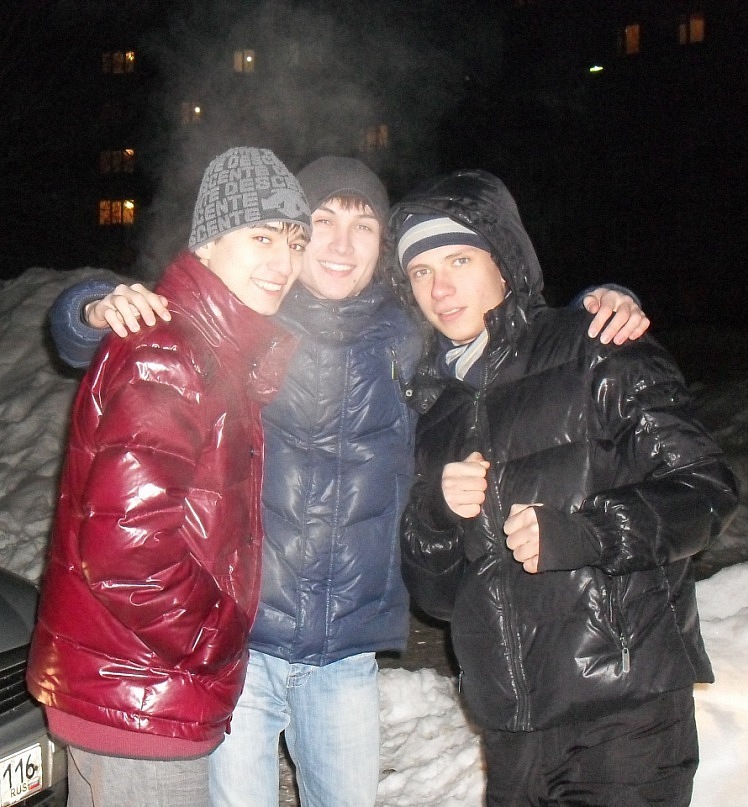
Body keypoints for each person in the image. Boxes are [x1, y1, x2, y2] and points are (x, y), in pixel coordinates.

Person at [47, 157, 649, 807]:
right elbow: (124, 342)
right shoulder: (250, 318)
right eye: (321, 222)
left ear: (381, 245)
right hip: (239, 645)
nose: (340, 243)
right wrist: (90, 307)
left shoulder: (410, 335)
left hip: (345, 652)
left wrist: (599, 303)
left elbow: (508, 340)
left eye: (362, 226)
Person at [389, 168, 739, 807]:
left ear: (505, 261)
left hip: (623, 716)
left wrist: (589, 533)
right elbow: (437, 599)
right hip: (512, 732)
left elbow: (706, 489)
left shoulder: (597, 346)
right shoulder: (437, 411)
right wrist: (437, 513)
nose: (439, 289)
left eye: (460, 260)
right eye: (421, 272)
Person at [26, 146, 311, 807]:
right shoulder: (171, 352)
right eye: (262, 236)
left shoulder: (212, 352)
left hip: (140, 682)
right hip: (139, 692)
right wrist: (217, 636)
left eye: (295, 241)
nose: (284, 261)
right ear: (208, 242)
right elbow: (126, 553)